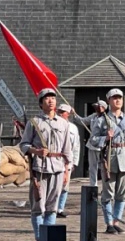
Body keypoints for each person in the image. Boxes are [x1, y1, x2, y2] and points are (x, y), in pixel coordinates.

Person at [20, 90, 72, 240]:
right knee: (38, 207)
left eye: (53, 98)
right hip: (39, 169)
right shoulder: (34, 122)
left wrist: (67, 170)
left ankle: (49, 237)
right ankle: (39, 237)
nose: (51, 101)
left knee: (52, 207)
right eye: (47, 98)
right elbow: (23, 145)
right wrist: (35, 151)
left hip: (57, 168)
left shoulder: (63, 123)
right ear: (41, 103)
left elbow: (67, 149)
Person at [90, 89, 125, 235]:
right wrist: (105, 138)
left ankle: (117, 221)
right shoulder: (101, 120)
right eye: (114, 98)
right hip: (109, 160)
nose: (117, 100)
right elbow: (92, 140)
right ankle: (109, 223)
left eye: (119, 98)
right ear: (109, 101)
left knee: (122, 194)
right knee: (108, 193)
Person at [55, 103, 80, 218]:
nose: (60, 114)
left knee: (65, 186)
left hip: (67, 160)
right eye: (59, 111)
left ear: (68, 114)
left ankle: (60, 208)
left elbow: (76, 146)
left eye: (62, 112)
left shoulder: (73, 128)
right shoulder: (53, 125)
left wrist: (74, 161)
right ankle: (52, 207)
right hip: (55, 158)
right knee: (54, 185)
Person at [81, 100, 106, 187]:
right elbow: (83, 121)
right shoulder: (93, 116)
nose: (97, 108)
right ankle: (93, 185)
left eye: (99, 106)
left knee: (103, 167)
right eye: (96, 106)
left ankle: (105, 185)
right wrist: (74, 114)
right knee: (92, 167)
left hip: (103, 146)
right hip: (92, 145)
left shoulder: (107, 118)